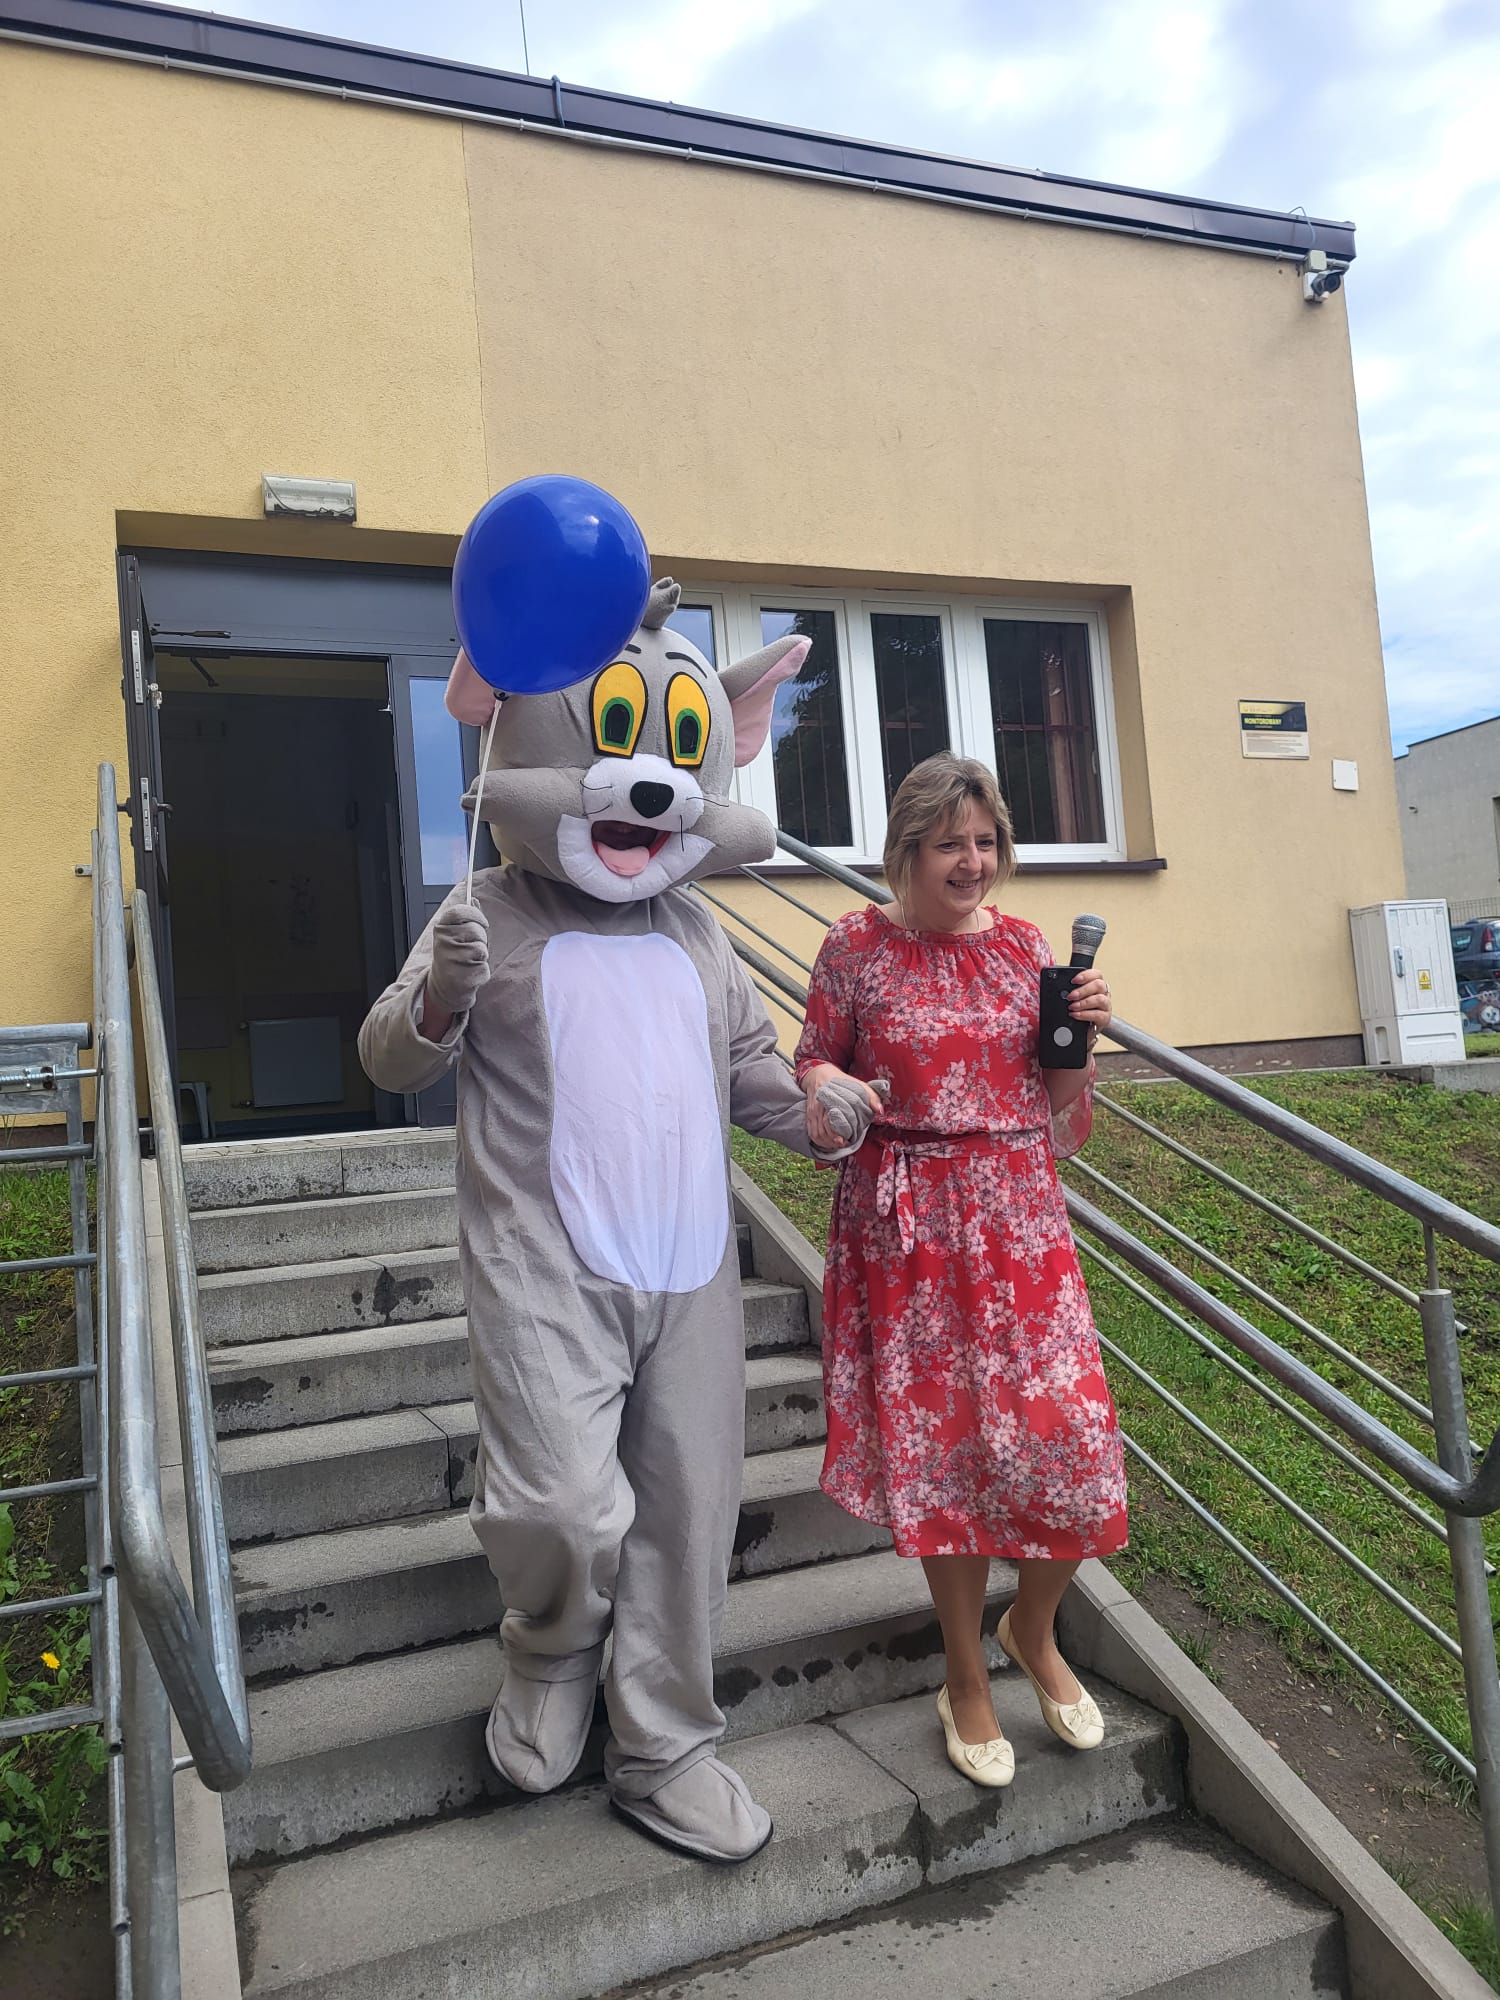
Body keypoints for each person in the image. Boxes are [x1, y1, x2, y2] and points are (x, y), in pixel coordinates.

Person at [795, 753, 1127, 1787]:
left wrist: (1083, 1033)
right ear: (907, 850)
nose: (972, 861)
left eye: (985, 842)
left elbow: (1054, 1094)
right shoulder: (854, 945)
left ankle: (1033, 1628)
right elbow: (813, 1057)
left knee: (1074, 1439)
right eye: (950, 844)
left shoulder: (1027, 946)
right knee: (945, 1458)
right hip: (907, 1228)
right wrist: (832, 1086)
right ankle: (964, 1673)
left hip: (1020, 1223)